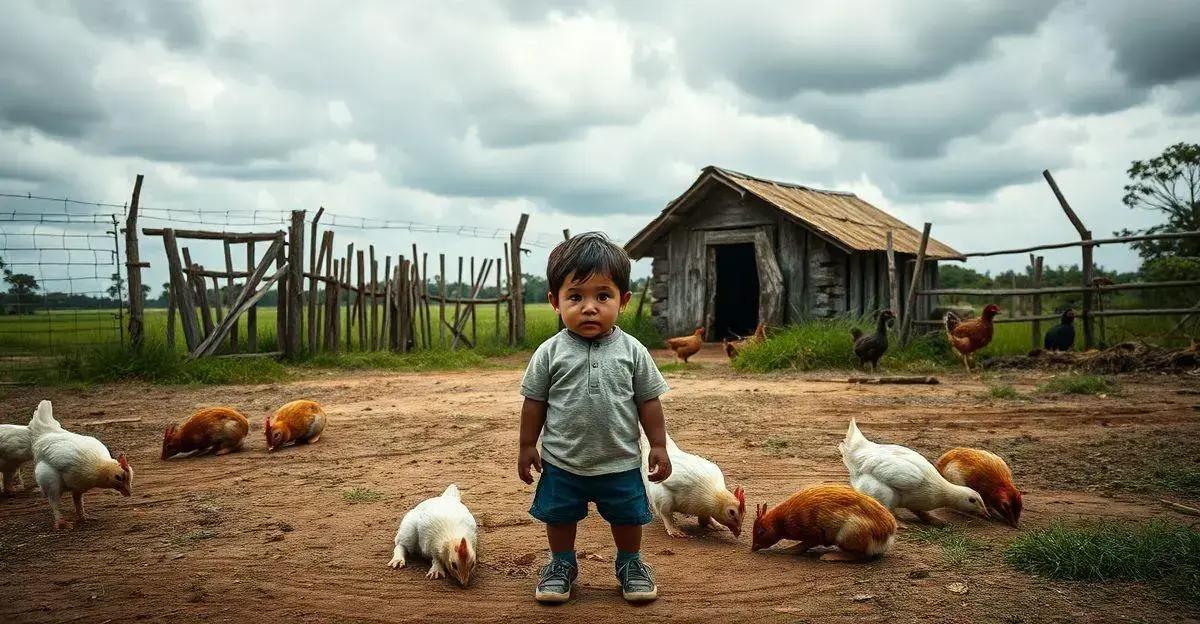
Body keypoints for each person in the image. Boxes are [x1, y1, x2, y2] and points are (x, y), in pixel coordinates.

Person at [517, 232, 672, 604]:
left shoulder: (633, 351)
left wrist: (659, 444)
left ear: (624, 300)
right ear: (555, 301)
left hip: (618, 461)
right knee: (559, 516)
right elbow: (534, 402)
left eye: (603, 296)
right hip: (562, 460)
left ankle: (631, 563)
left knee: (628, 517)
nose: (589, 307)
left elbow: (648, 401)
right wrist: (526, 445)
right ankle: (561, 563)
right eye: (576, 297)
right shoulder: (549, 352)